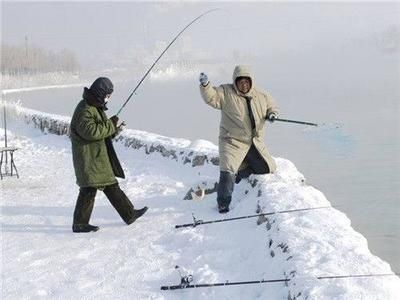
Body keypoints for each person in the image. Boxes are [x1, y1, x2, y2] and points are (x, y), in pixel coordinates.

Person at [69, 77, 148, 232]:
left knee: (108, 187)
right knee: (90, 189)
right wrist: (110, 124)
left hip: (96, 159)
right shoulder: (85, 110)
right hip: (89, 159)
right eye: (107, 95)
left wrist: (115, 129)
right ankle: (80, 224)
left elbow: (101, 133)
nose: (108, 98)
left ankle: (129, 214)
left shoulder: (93, 106)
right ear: (100, 93)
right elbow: (92, 132)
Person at [199, 65, 279, 213]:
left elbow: (271, 105)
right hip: (232, 141)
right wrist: (205, 85)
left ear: (251, 82)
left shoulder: (260, 95)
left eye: (246, 81)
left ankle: (240, 175)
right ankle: (223, 203)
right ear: (235, 82)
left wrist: (272, 113)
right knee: (227, 170)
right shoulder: (226, 92)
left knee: (267, 168)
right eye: (240, 81)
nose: (243, 84)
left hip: (254, 142)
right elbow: (211, 97)